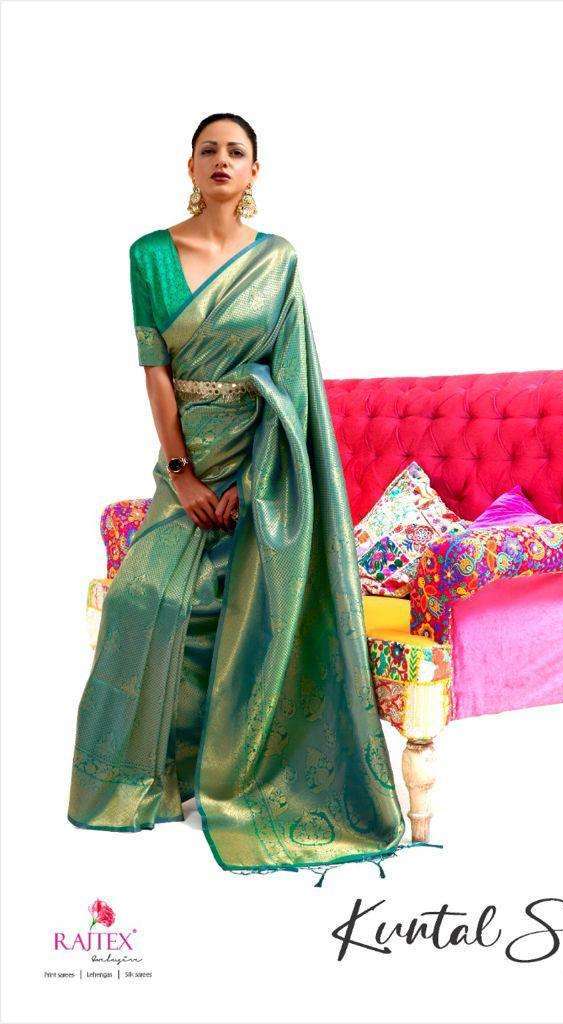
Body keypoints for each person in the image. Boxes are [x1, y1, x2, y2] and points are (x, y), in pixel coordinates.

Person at [67, 113, 412, 878]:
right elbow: (157, 374)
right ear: (189, 166)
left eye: (237, 151)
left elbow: (290, 377)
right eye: (209, 149)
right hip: (186, 458)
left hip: (263, 463)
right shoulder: (149, 255)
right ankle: (152, 782)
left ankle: (236, 777)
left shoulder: (278, 260)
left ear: (254, 172)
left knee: (246, 603)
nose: (222, 160)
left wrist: (255, 483)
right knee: (143, 598)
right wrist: (184, 475)